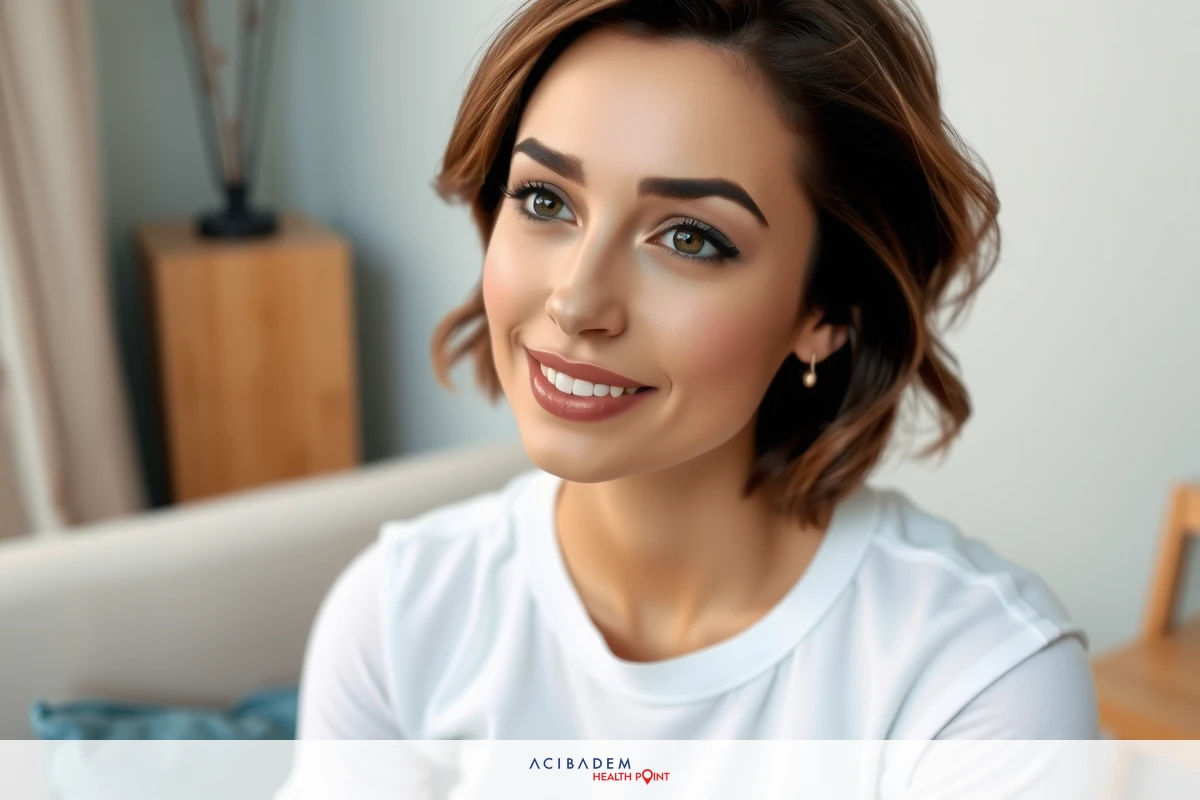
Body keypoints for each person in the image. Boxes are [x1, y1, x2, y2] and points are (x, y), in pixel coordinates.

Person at [293, 0, 1099, 764]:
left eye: (689, 237)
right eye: (545, 198)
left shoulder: (979, 685)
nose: (577, 302)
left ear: (827, 309)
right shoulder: (396, 620)